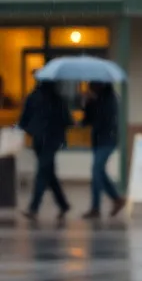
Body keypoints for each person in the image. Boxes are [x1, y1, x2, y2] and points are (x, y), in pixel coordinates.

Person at [19, 79, 73, 221]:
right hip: (52, 141)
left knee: (42, 172)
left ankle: (33, 208)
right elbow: (68, 121)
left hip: (38, 140)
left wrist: (29, 129)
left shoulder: (33, 97)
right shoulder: (58, 99)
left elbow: (24, 120)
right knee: (48, 173)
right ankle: (63, 204)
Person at [81, 82, 126, 219]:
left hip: (107, 140)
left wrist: (92, 102)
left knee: (96, 171)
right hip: (98, 140)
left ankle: (96, 207)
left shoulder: (110, 99)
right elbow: (88, 120)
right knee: (99, 172)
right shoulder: (97, 99)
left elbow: (102, 120)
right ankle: (116, 199)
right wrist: (87, 103)